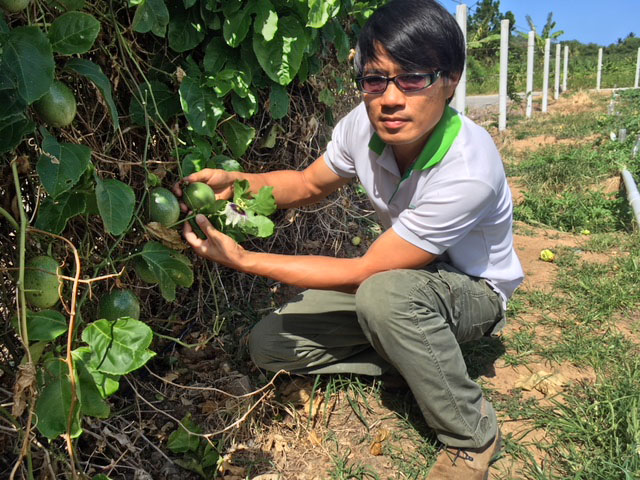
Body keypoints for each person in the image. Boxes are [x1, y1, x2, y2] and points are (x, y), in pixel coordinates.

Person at [174, 0, 524, 477]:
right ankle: (417, 364)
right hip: (406, 279)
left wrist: (244, 259)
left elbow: (365, 273)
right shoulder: (364, 126)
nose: (390, 97)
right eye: (375, 78)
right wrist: (235, 185)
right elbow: (307, 185)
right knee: (270, 346)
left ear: (451, 80)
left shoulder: (469, 169)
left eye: (413, 77)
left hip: (473, 291)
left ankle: (472, 434)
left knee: (383, 294)